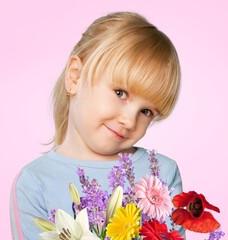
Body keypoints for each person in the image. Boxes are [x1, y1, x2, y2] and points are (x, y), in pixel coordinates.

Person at [10, 11, 184, 240]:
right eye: (120, 93)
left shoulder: (162, 173)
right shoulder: (35, 182)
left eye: (146, 112)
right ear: (75, 77)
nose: (129, 121)